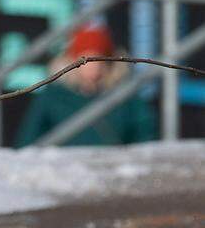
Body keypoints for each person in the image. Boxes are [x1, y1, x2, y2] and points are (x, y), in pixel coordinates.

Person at [15, 23, 157, 147]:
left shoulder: (126, 97)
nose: (92, 66)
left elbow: (145, 136)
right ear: (73, 60)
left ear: (108, 61)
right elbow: (29, 139)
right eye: (85, 59)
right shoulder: (53, 96)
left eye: (97, 58)